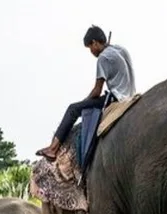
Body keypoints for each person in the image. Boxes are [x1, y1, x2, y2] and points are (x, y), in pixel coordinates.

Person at [35, 25, 135, 161]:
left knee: (73, 109)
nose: (91, 52)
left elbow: (97, 90)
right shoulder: (121, 50)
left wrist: (85, 101)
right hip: (131, 94)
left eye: (90, 48)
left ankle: (53, 149)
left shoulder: (103, 58)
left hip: (116, 98)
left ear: (94, 42)